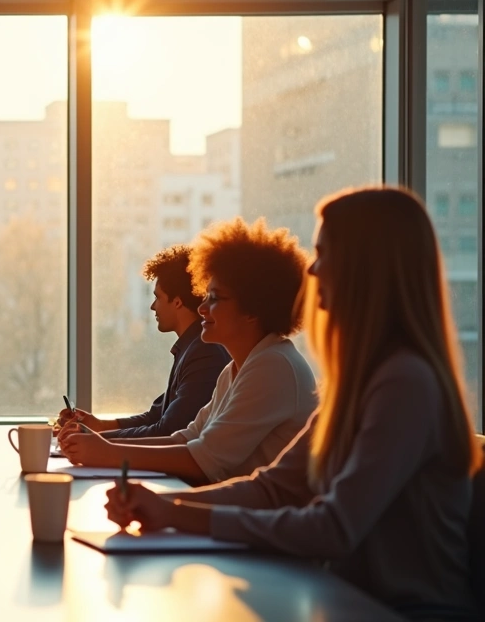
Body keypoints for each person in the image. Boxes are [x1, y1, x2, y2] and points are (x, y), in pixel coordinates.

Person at [105, 186, 482, 621]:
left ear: (367, 269)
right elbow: (273, 488)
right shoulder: (359, 381)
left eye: (325, 254)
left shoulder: (406, 383)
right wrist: (165, 508)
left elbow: (333, 528)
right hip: (345, 600)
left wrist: (176, 514)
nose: (314, 270)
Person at [60, 217, 316, 485]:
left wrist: (106, 451)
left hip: (262, 520)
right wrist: (95, 442)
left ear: (253, 309)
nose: (202, 308)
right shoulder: (237, 368)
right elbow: (185, 438)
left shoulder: (273, 367)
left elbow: (204, 460)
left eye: (215, 298)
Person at [57, 245, 229, 438]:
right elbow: (156, 416)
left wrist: (92, 438)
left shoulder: (204, 353)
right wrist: (98, 425)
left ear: (177, 301)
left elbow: (168, 431)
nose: (153, 306)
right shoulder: (191, 347)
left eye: (158, 297)